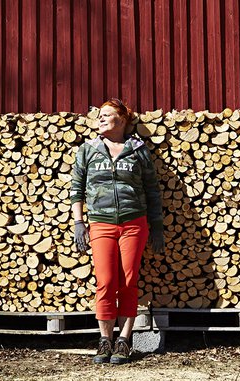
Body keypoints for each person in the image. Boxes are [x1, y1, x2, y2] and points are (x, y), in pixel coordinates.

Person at [70, 99, 164, 364]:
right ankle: (105, 340)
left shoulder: (137, 150)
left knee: (128, 280)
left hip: (134, 223)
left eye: (106, 115)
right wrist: (79, 222)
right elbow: (77, 189)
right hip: (101, 224)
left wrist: (156, 225)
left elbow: (152, 189)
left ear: (121, 120)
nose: (100, 119)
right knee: (106, 281)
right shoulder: (88, 150)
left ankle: (123, 340)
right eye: (99, 115)